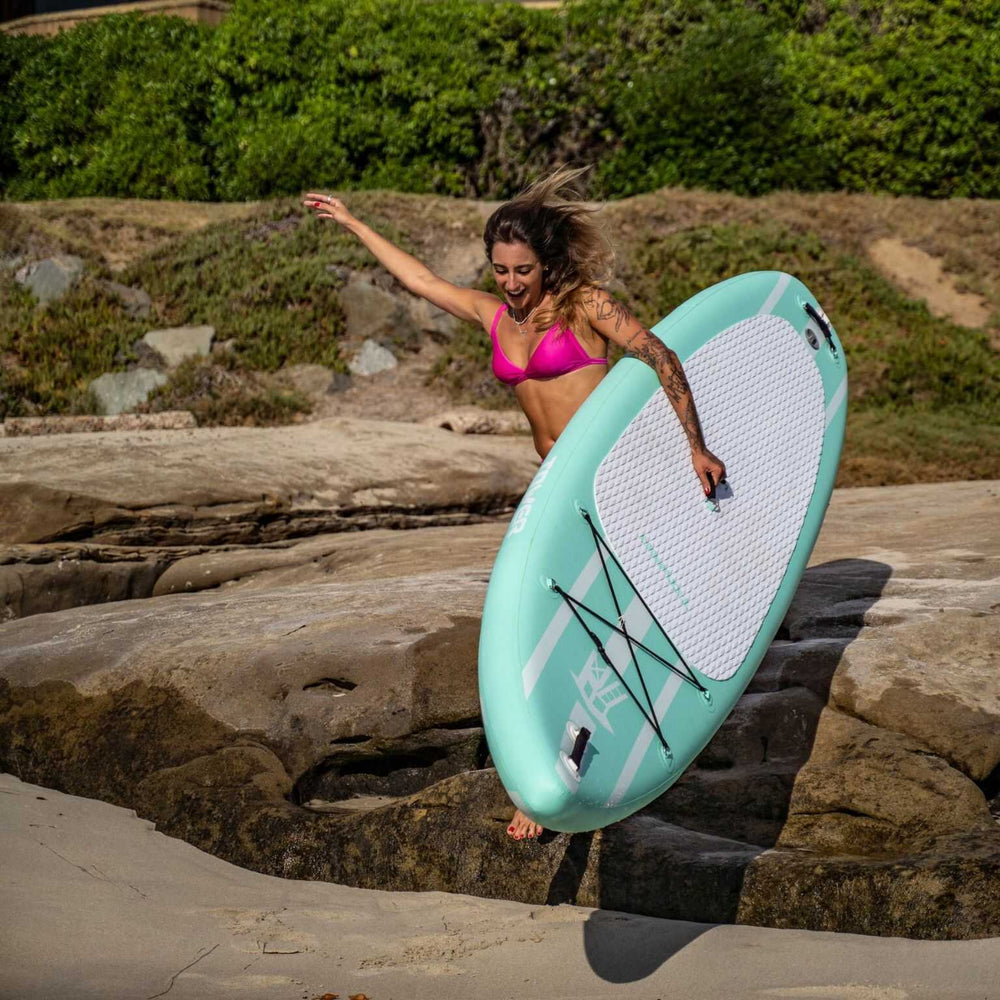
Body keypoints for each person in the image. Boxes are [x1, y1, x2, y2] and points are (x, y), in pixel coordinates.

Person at [302, 167, 725, 842]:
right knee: (557, 625)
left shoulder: (589, 306)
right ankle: (549, 776)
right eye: (499, 269)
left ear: (548, 261)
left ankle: (573, 767)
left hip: (614, 483)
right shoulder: (495, 316)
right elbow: (420, 281)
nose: (510, 283)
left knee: (599, 620)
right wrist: (354, 223)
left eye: (522, 269)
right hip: (557, 490)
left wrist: (696, 449)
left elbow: (660, 355)